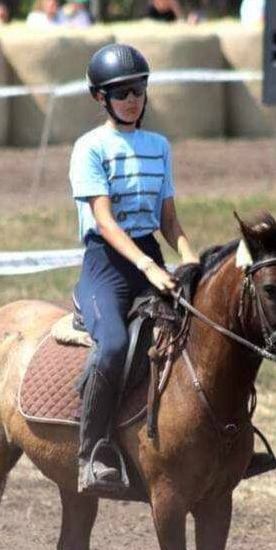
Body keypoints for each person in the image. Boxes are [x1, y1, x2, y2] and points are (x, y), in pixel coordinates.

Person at [71, 43, 199, 495]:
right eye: (121, 91)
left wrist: (189, 256)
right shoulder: (90, 148)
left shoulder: (158, 147)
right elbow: (104, 221)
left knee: (199, 333)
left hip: (151, 258)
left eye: (138, 89)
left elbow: (167, 219)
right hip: (106, 266)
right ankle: (92, 452)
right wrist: (146, 265)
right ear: (99, 98)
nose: (131, 99)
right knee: (112, 346)